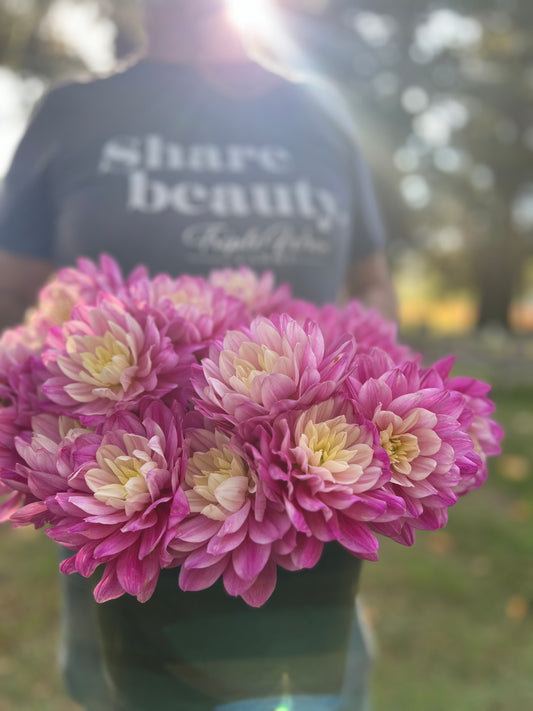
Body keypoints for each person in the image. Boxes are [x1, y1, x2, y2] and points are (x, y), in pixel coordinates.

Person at [0, 1, 397, 709]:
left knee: (311, 695)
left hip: (308, 538)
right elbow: (13, 296)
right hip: (127, 529)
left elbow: (368, 274)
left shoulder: (321, 110)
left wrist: (379, 382)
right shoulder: (72, 114)